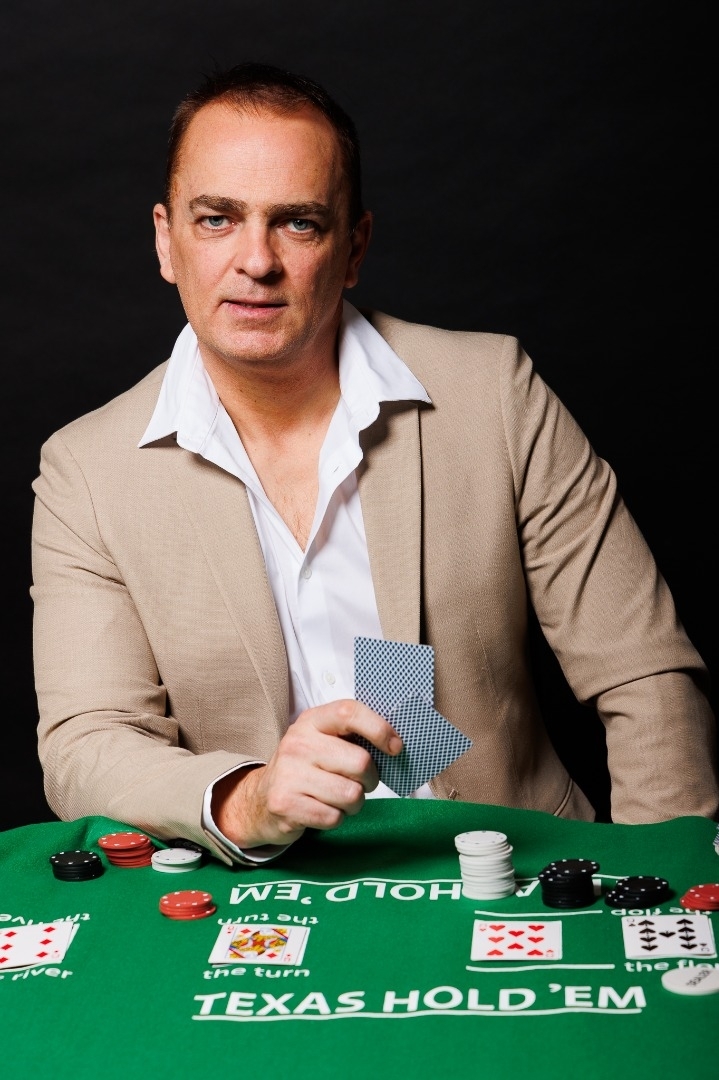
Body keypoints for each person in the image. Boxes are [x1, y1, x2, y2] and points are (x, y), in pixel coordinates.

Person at [31, 62, 718, 867]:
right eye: (217, 219)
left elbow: (642, 672)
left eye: (297, 223)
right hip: (251, 894)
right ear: (165, 239)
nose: (255, 260)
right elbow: (87, 741)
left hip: (508, 866)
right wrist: (246, 799)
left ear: (353, 246)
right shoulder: (88, 471)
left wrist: (666, 877)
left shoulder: (493, 394)